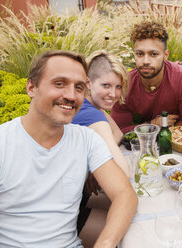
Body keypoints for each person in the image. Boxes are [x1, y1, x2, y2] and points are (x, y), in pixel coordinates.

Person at [0, 50, 138, 247]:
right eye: (59, 84)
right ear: (31, 87)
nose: (71, 95)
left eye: (79, 87)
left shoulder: (87, 140)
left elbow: (125, 194)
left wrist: (105, 243)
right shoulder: (2, 143)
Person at [71, 50, 132, 246]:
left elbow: (117, 134)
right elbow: (124, 172)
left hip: (73, 196)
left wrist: (93, 165)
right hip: (64, 216)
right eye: (105, 85)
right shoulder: (92, 116)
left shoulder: (86, 106)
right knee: (131, 228)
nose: (113, 94)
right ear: (88, 83)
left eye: (118, 87)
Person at [111, 21, 182, 133]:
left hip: (176, 146)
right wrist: (152, 125)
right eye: (140, 54)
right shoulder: (125, 84)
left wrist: (158, 129)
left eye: (153, 54)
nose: (145, 61)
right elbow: (118, 131)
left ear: (165, 55)